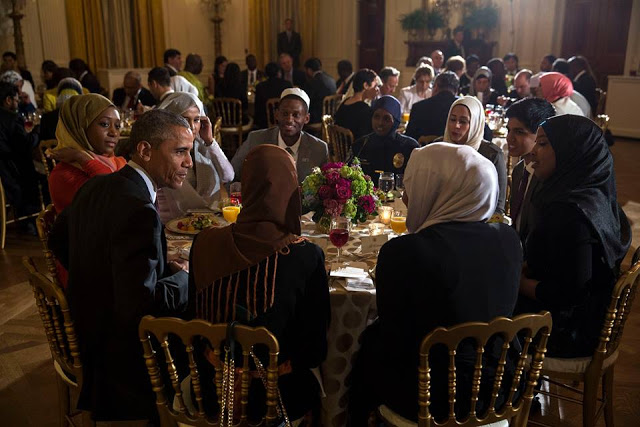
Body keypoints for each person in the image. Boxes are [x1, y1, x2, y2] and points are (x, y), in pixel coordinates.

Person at [349, 142, 522, 424]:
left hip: (428, 396)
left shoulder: (407, 251)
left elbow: (393, 332)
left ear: (437, 190)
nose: (406, 197)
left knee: (365, 347)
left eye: (412, 187)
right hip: (496, 388)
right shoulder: (508, 239)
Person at [48, 109, 192, 423]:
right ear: (145, 150)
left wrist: (101, 279)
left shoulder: (96, 186)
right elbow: (142, 305)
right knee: (211, 334)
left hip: (89, 336)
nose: (189, 162)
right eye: (180, 151)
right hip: (123, 363)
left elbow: (58, 239)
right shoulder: (139, 208)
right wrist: (185, 278)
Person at [190, 144, 329, 423]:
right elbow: (315, 351)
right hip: (274, 397)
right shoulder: (306, 256)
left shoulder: (203, 242)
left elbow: (193, 324)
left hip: (209, 391)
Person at [517, 115, 631, 357]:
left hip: (567, 331)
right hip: (587, 317)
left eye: (543, 144)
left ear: (571, 151)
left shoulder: (570, 213)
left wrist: (518, 283)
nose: (533, 151)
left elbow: (569, 294)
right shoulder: (594, 193)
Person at [155, 92, 234, 222]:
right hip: (175, 223)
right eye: (184, 120)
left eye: (196, 120)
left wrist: (210, 141)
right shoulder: (162, 152)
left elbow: (228, 176)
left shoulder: (204, 146)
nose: (192, 127)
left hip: (210, 220)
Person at [47, 94, 127, 213]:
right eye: (104, 124)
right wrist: (82, 158)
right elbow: (114, 198)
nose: (114, 133)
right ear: (81, 127)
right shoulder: (63, 175)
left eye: (117, 126)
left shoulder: (118, 162)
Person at [231, 88, 328, 183]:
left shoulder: (319, 149)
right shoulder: (256, 140)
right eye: (285, 114)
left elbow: (324, 187)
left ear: (306, 118)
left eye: (296, 115)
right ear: (277, 114)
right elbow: (232, 174)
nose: (289, 120)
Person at [443, 96, 507, 214]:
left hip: (478, 220)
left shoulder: (491, 154)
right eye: (452, 119)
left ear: (475, 123)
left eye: (463, 121)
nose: (456, 126)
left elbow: (498, 205)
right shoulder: (439, 147)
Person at [504, 98, 555, 242]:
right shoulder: (519, 169)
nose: (509, 138)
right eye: (509, 130)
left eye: (519, 132)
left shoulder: (547, 175)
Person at [0, 82, 41, 232]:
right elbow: (27, 144)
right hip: (13, 175)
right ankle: (33, 222)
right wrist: (37, 130)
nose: (17, 104)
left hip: (3, 174)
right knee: (41, 176)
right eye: (16, 100)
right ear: (8, 100)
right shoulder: (11, 118)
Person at [349, 95, 419, 178]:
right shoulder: (360, 145)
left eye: (386, 119)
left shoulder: (409, 147)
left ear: (395, 122)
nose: (380, 123)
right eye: (376, 117)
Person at [406, 71, 459, 142]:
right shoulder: (462, 108)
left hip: (424, 148)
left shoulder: (418, 107)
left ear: (436, 87)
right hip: (454, 148)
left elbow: (410, 139)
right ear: (456, 91)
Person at [333, 69, 379, 140]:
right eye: (375, 85)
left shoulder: (345, 102)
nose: (377, 89)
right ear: (366, 85)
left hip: (341, 145)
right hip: (356, 146)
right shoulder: (365, 110)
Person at [254, 61, 293, 129]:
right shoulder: (287, 84)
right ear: (278, 72)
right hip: (285, 119)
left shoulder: (260, 86)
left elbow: (257, 107)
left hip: (265, 122)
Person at [303, 57, 336, 124]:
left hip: (317, 118)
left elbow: (306, 101)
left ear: (309, 70)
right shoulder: (331, 79)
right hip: (331, 115)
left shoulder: (312, 82)